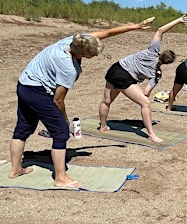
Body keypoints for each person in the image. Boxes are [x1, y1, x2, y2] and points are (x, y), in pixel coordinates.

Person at [8, 16, 156, 188]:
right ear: (84, 53)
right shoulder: (68, 67)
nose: (94, 56)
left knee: (23, 128)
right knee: (61, 132)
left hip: (25, 84)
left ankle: (16, 169)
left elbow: (107, 32)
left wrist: (135, 26)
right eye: (92, 55)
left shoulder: (76, 40)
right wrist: (64, 118)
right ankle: (60, 178)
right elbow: (58, 99)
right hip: (36, 91)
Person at [98, 15, 187, 142]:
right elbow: (146, 93)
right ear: (167, 63)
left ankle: (103, 127)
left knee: (106, 101)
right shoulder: (157, 74)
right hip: (125, 77)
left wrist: (178, 20)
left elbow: (160, 30)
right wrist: (135, 90)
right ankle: (152, 135)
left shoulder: (153, 50)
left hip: (115, 68)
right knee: (145, 103)